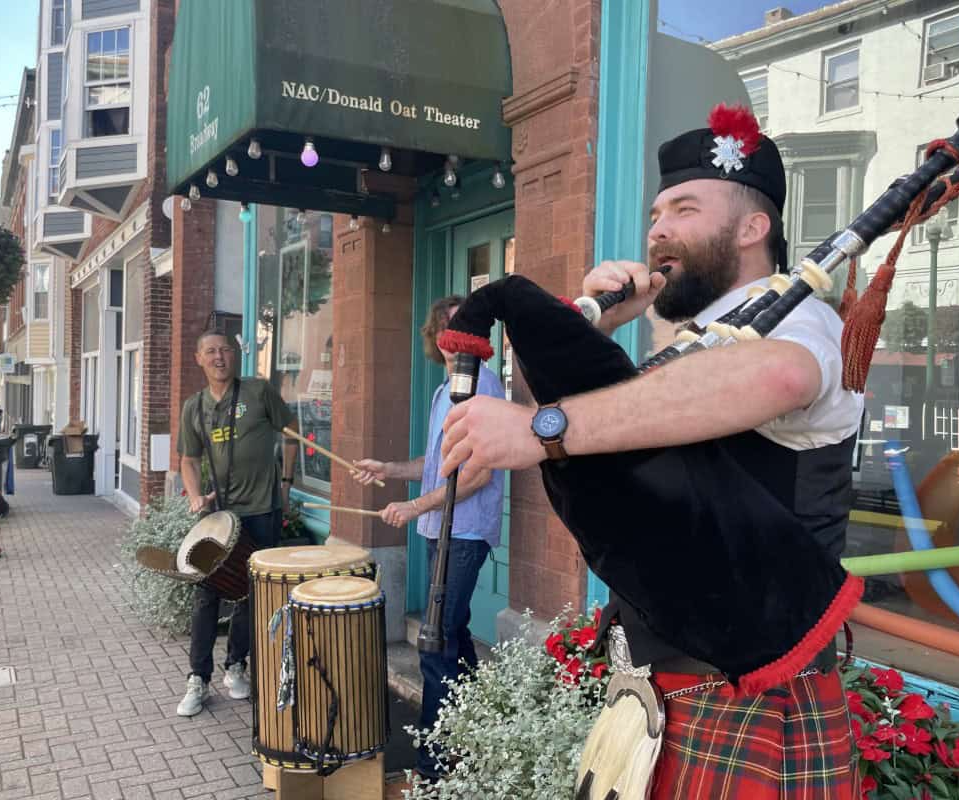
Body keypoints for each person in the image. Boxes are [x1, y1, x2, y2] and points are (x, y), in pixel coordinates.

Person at [437, 106, 864, 797]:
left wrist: (542, 429)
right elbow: (638, 430)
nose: (658, 227)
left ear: (753, 227)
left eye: (685, 209)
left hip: (751, 689)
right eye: (656, 213)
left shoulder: (799, 315)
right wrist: (599, 322)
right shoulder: (707, 336)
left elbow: (779, 375)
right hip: (677, 686)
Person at [352, 296, 506, 782]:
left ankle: (434, 768)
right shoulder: (447, 389)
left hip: (462, 533)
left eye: (464, 323)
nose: (454, 333)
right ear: (436, 338)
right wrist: (390, 471)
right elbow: (437, 466)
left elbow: (478, 473)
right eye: (447, 323)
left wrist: (415, 505)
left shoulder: (480, 385)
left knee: (434, 644)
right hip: (439, 528)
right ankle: (476, 732)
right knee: (454, 636)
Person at [175, 330, 299, 717]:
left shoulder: (259, 392)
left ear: (236, 355)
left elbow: (290, 434)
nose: (219, 357)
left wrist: (286, 484)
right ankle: (198, 678)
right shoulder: (193, 408)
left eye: (225, 349)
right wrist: (195, 495)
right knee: (207, 594)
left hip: (262, 509)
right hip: (220, 516)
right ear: (198, 358)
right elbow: (188, 461)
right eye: (210, 351)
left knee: (250, 593)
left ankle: (236, 665)